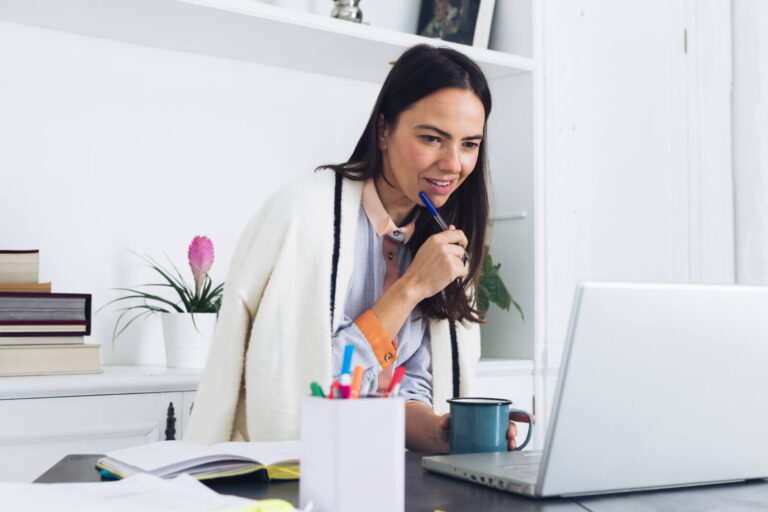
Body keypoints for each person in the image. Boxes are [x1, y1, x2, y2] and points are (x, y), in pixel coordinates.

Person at [185, 44, 530, 453]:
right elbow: (306, 394)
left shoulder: (442, 244)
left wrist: (447, 434)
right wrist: (410, 288)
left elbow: (408, 392)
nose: (454, 164)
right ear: (384, 130)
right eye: (433, 138)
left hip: (378, 473)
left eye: (469, 144)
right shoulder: (301, 217)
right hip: (285, 473)